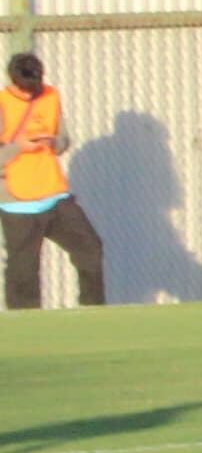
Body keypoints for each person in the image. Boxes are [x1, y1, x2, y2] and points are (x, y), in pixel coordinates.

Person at [1, 51, 108, 310]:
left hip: (55, 195)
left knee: (90, 249)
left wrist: (54, 143)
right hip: (17, 203)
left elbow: (64, 140)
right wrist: (19, 147)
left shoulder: (51, 96)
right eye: (24, 89)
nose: (29, 93)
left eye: (33, 88)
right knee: (23, 272)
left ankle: (94, 310)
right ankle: (26, 325)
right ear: (12, 81)